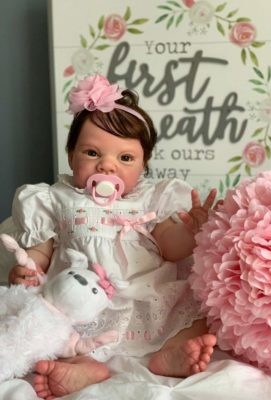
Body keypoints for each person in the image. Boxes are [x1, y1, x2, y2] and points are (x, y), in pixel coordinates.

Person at [9, 74, 217, 399]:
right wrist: (29, 270)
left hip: (142, 297)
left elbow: (170, 248)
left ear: (143, 165)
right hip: (81, 305)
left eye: (125, 158)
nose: (107, 166)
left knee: (198, 316)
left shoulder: (148, 201)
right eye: (92, 153)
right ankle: (85, 366)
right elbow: (40, 250)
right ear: (71, 155)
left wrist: (192, 231)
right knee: (45, 332)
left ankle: (169, 354)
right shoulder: (56, 199)